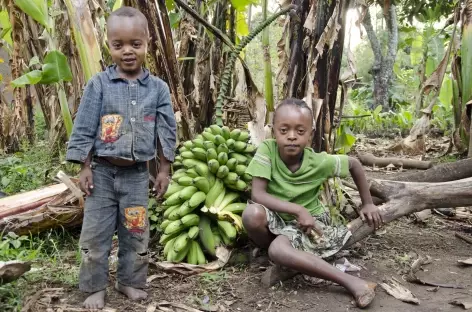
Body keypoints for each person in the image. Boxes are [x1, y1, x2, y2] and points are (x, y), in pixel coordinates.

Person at [66, 6, 176, 309]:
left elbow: (166, 131)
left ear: (147, 43)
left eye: (135, 44)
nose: (127, 51)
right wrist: (84, 166)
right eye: (119, 45)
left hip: (137, 177)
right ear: (108, 45)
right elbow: (85, 124)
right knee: (96, 234)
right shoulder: (99, 84)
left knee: (136, 233)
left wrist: (164, 169)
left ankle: (129, 281)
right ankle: (93, 287)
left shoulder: (157, 89)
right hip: (101, 175)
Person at [243, 98, 382, 308]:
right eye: (284, 130)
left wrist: (368, 203)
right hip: (282, 218)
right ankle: (280, 253)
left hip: (311, 223)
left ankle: (352, 282)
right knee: (252, 214)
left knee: (278, 251)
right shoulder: (267, 151)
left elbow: (354, 164)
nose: (291, 136)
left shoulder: (318, 162)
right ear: (273, 130)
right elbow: (258, 195)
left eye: (300, 131)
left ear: (310, 134)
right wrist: (297, 209)